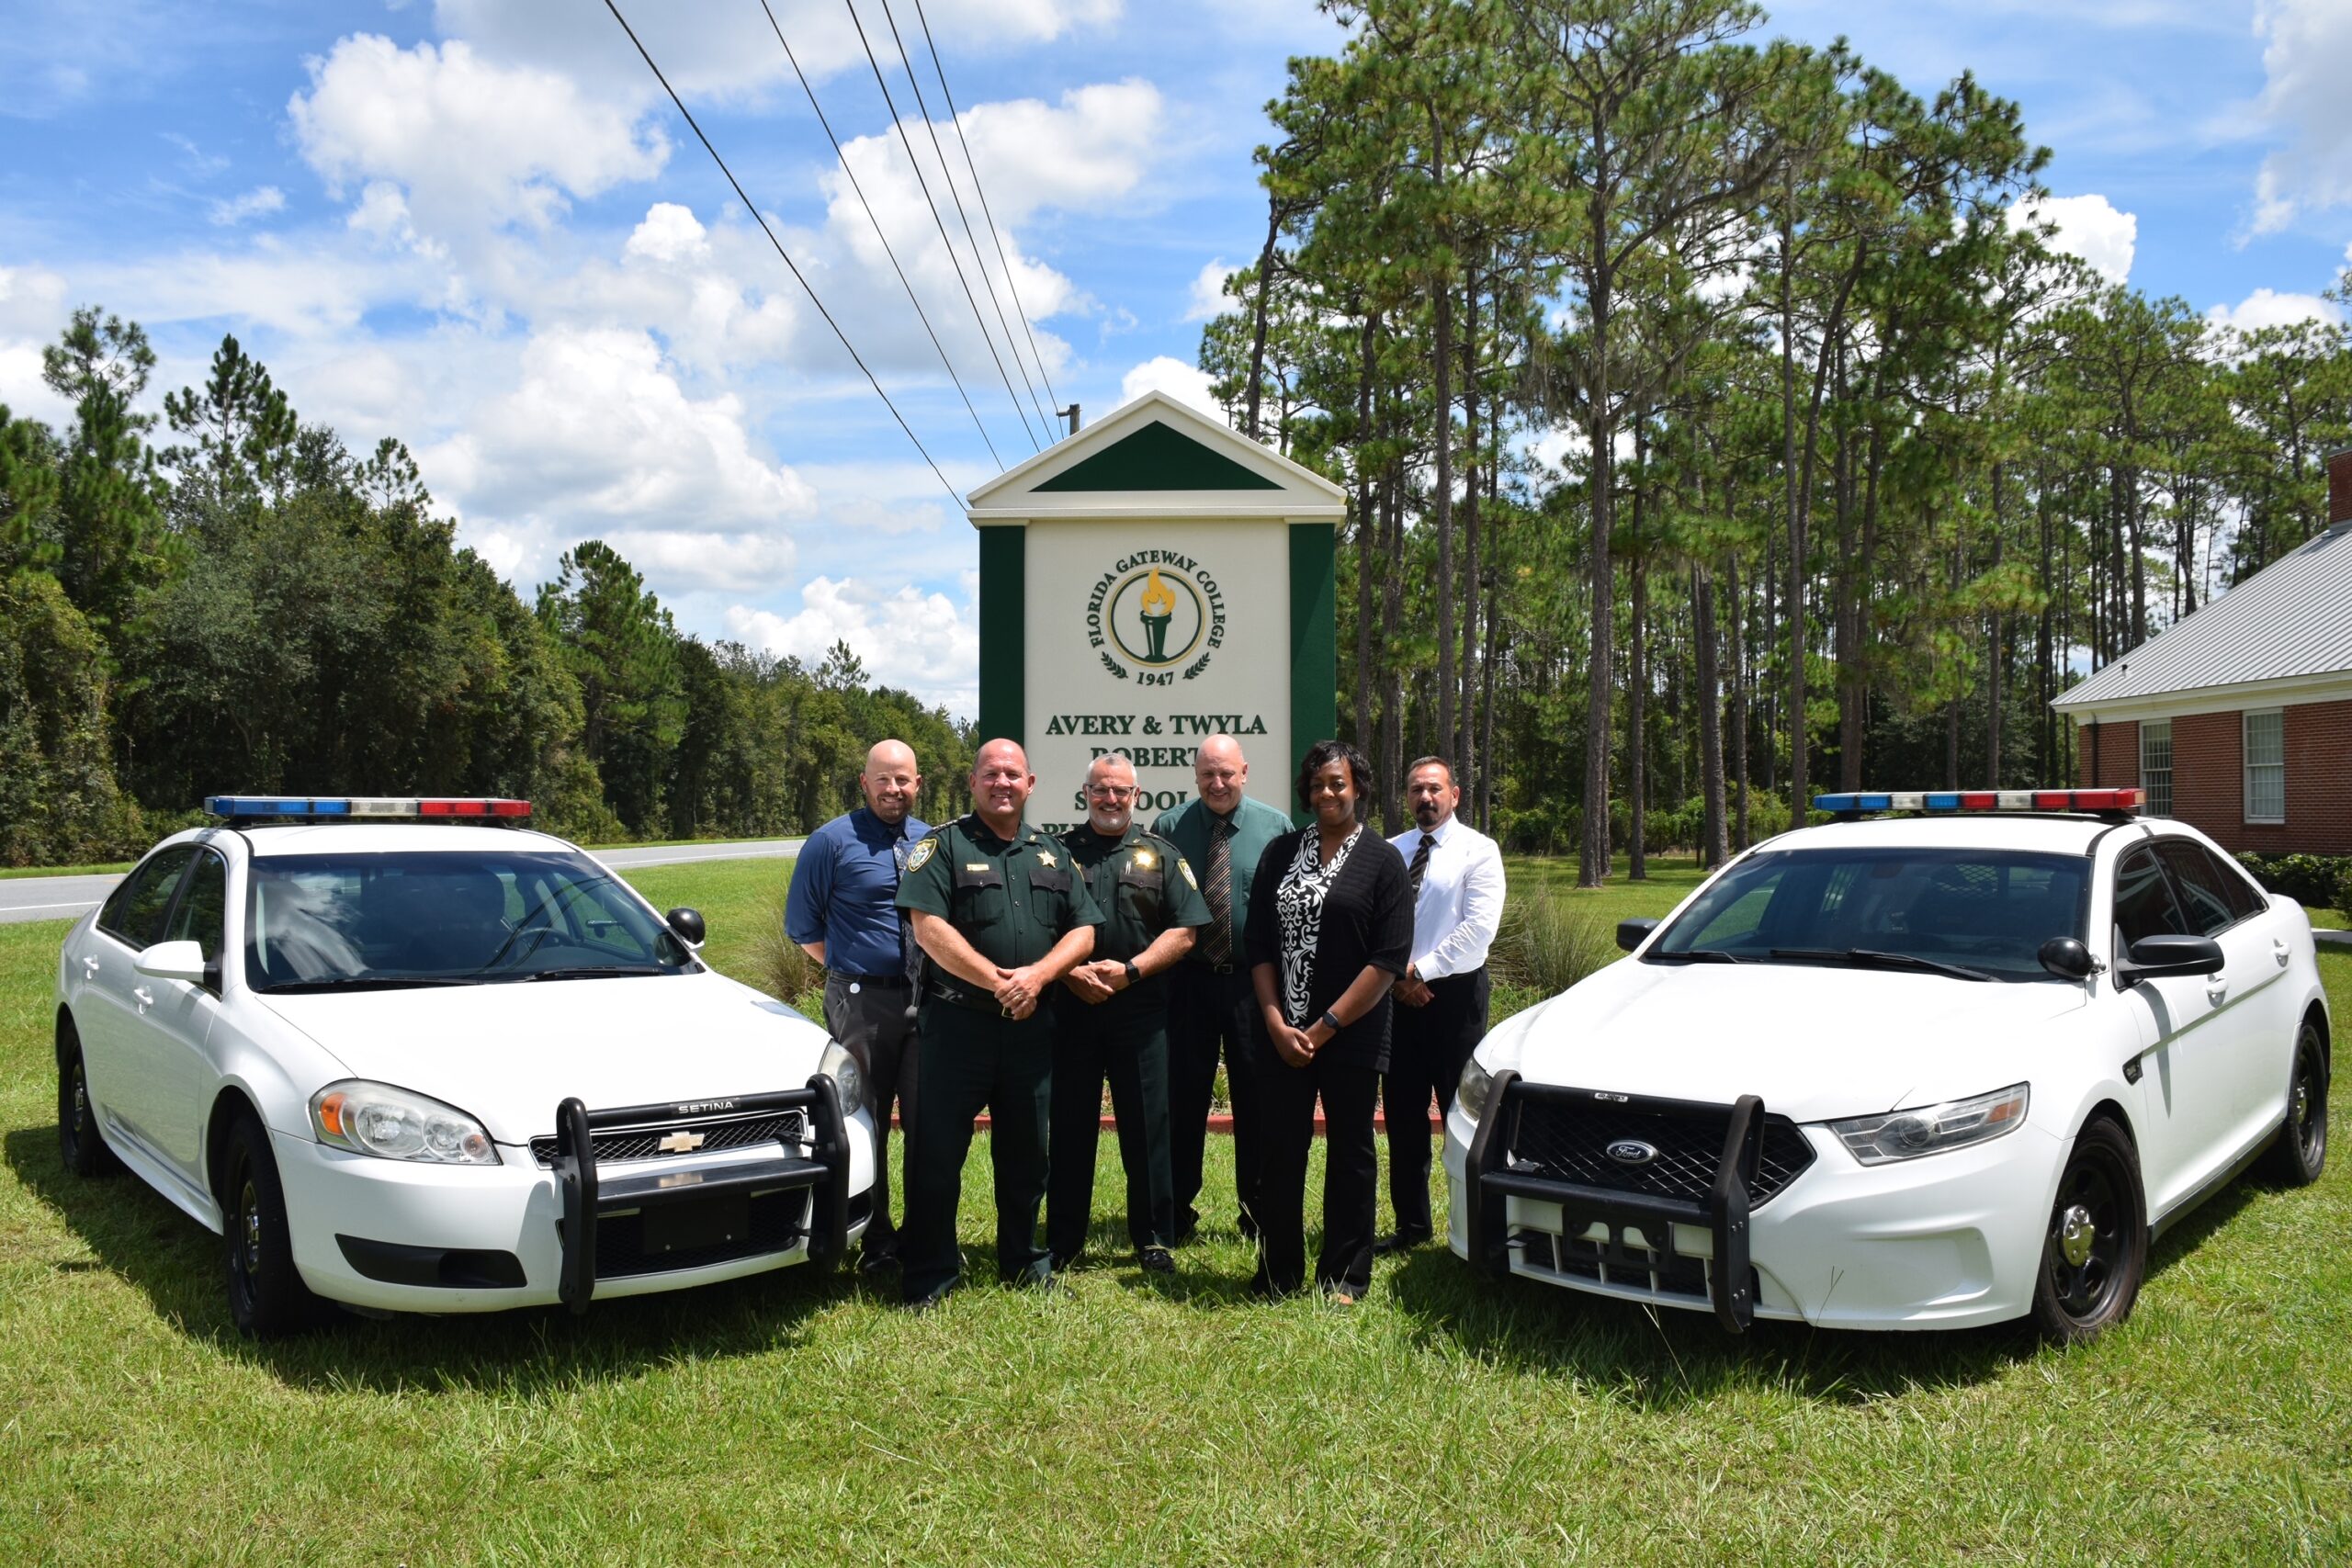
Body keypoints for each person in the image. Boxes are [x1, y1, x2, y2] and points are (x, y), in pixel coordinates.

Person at [895, 739, 1102, 1309]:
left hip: (1031, 1028)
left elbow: (1083, 930)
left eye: (1013, 774)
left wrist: (1037, 979)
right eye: (992, 774)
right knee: (937, 1154)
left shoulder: (1052, 853)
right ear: (973, 781)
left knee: (1027, 1154)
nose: (1002, 783)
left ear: (1030, 784)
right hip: (959, 1026)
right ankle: (930, 1273)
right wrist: (1000, 981)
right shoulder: (942, 847)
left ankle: (1023, 1260)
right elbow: (927, 927)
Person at [1244, 739, 1412, 1303]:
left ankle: (1344, 1275)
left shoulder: (1383, 860)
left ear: (1358, 786)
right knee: (1280, 1152)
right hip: (1281, 1033)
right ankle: (1277, 1273)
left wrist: (1322, 1029)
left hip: (1352, 1034)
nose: (1326, 793)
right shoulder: (1280, 853)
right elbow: (1259, 945)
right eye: (1317, 784)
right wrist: (1274, 1022)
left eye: (1337, 782)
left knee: (1351, 1153)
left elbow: (1387, 959)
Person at [1048, 753, 1211, 1275]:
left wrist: (1132, 971)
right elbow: (1039, 928)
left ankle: (1155, 1236)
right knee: (1071, 1125)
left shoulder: (1161, 855)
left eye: (1121, 791)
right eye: (1101, 790)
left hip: (1141, 1012)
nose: (1111, 799)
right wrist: (1068, 973)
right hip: (1073, 1010)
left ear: (1136, 796)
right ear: (1086, 792)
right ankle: (1064, 1240)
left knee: (1147, 1125)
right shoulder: (1055, 854)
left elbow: (1185, 930)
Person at [784, 739, 929, 1273]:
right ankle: (878, 1238)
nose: (894, 789)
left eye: (904, 779)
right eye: (884, 779)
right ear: (864, 783)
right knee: (865, 1119)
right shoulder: (830, 842)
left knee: (924, 1119)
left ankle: (923, 1232)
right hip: (862, 1002)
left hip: (925, 1001)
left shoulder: (928, 840)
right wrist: (855, 970)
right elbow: (804, 929)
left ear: (919, 784)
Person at [1153, 734, 1294, 1244]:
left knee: (1257, 1100)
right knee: (1181, 1099)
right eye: (1208, 774)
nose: (1217, 783)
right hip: (1186, 984)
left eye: (1227, 773)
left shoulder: (1276, 828)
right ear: (1195, 776)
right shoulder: (1169, 829)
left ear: (1244, 772)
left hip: (1250, 986)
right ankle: (1175, 1215)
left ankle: (1256, 1213)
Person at [1378, 756, 1505, 1253]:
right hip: (1396, 999)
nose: (1424, 798)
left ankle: (1472, 1225)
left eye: (1434, 788)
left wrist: (1418, 971)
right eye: (1415, 790)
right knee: (1403, 1119)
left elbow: (1478, 930)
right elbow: (1375, 924)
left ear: (1454, 795)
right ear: (1405, 797)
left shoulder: (1480, 851)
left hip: (1455, 999)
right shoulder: (1392, 852)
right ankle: (1411, 1228)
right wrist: (1396, 978)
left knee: (1466, 1119)